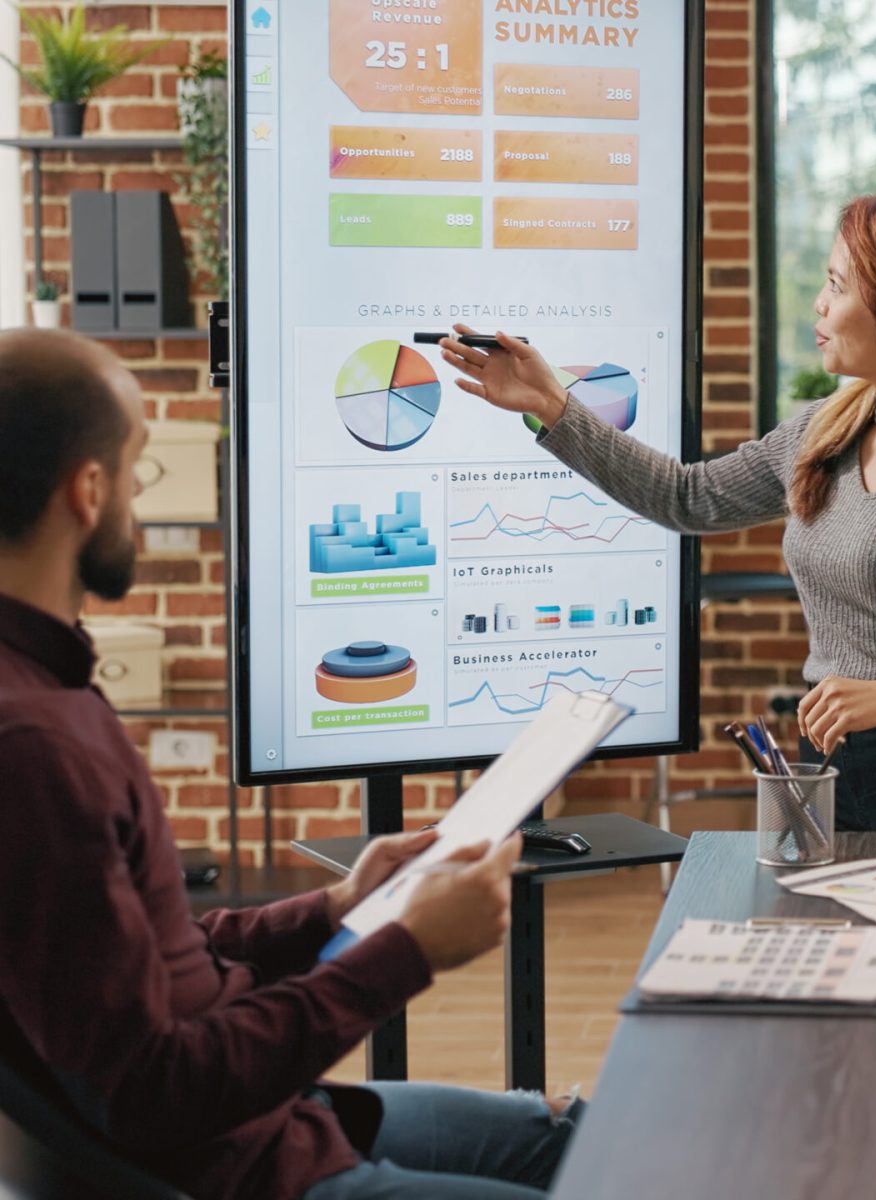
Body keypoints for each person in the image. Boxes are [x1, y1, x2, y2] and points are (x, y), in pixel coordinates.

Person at [0, 329, 581, 1200]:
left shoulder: (47, 687)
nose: (136, 502)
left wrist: (339, 908)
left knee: (578, 1139)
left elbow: (145, 958)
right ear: (87, 492)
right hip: (253, 1170)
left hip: (282, 1119)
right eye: (134, 471)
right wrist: (406, 950)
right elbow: (153, 1089)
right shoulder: (34, 750)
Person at [440, 191, 876, 832]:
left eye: (837, 284)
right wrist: (554, 406)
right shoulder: (827, 426)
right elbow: (686, 497)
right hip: (830, 757)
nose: (820, 303)